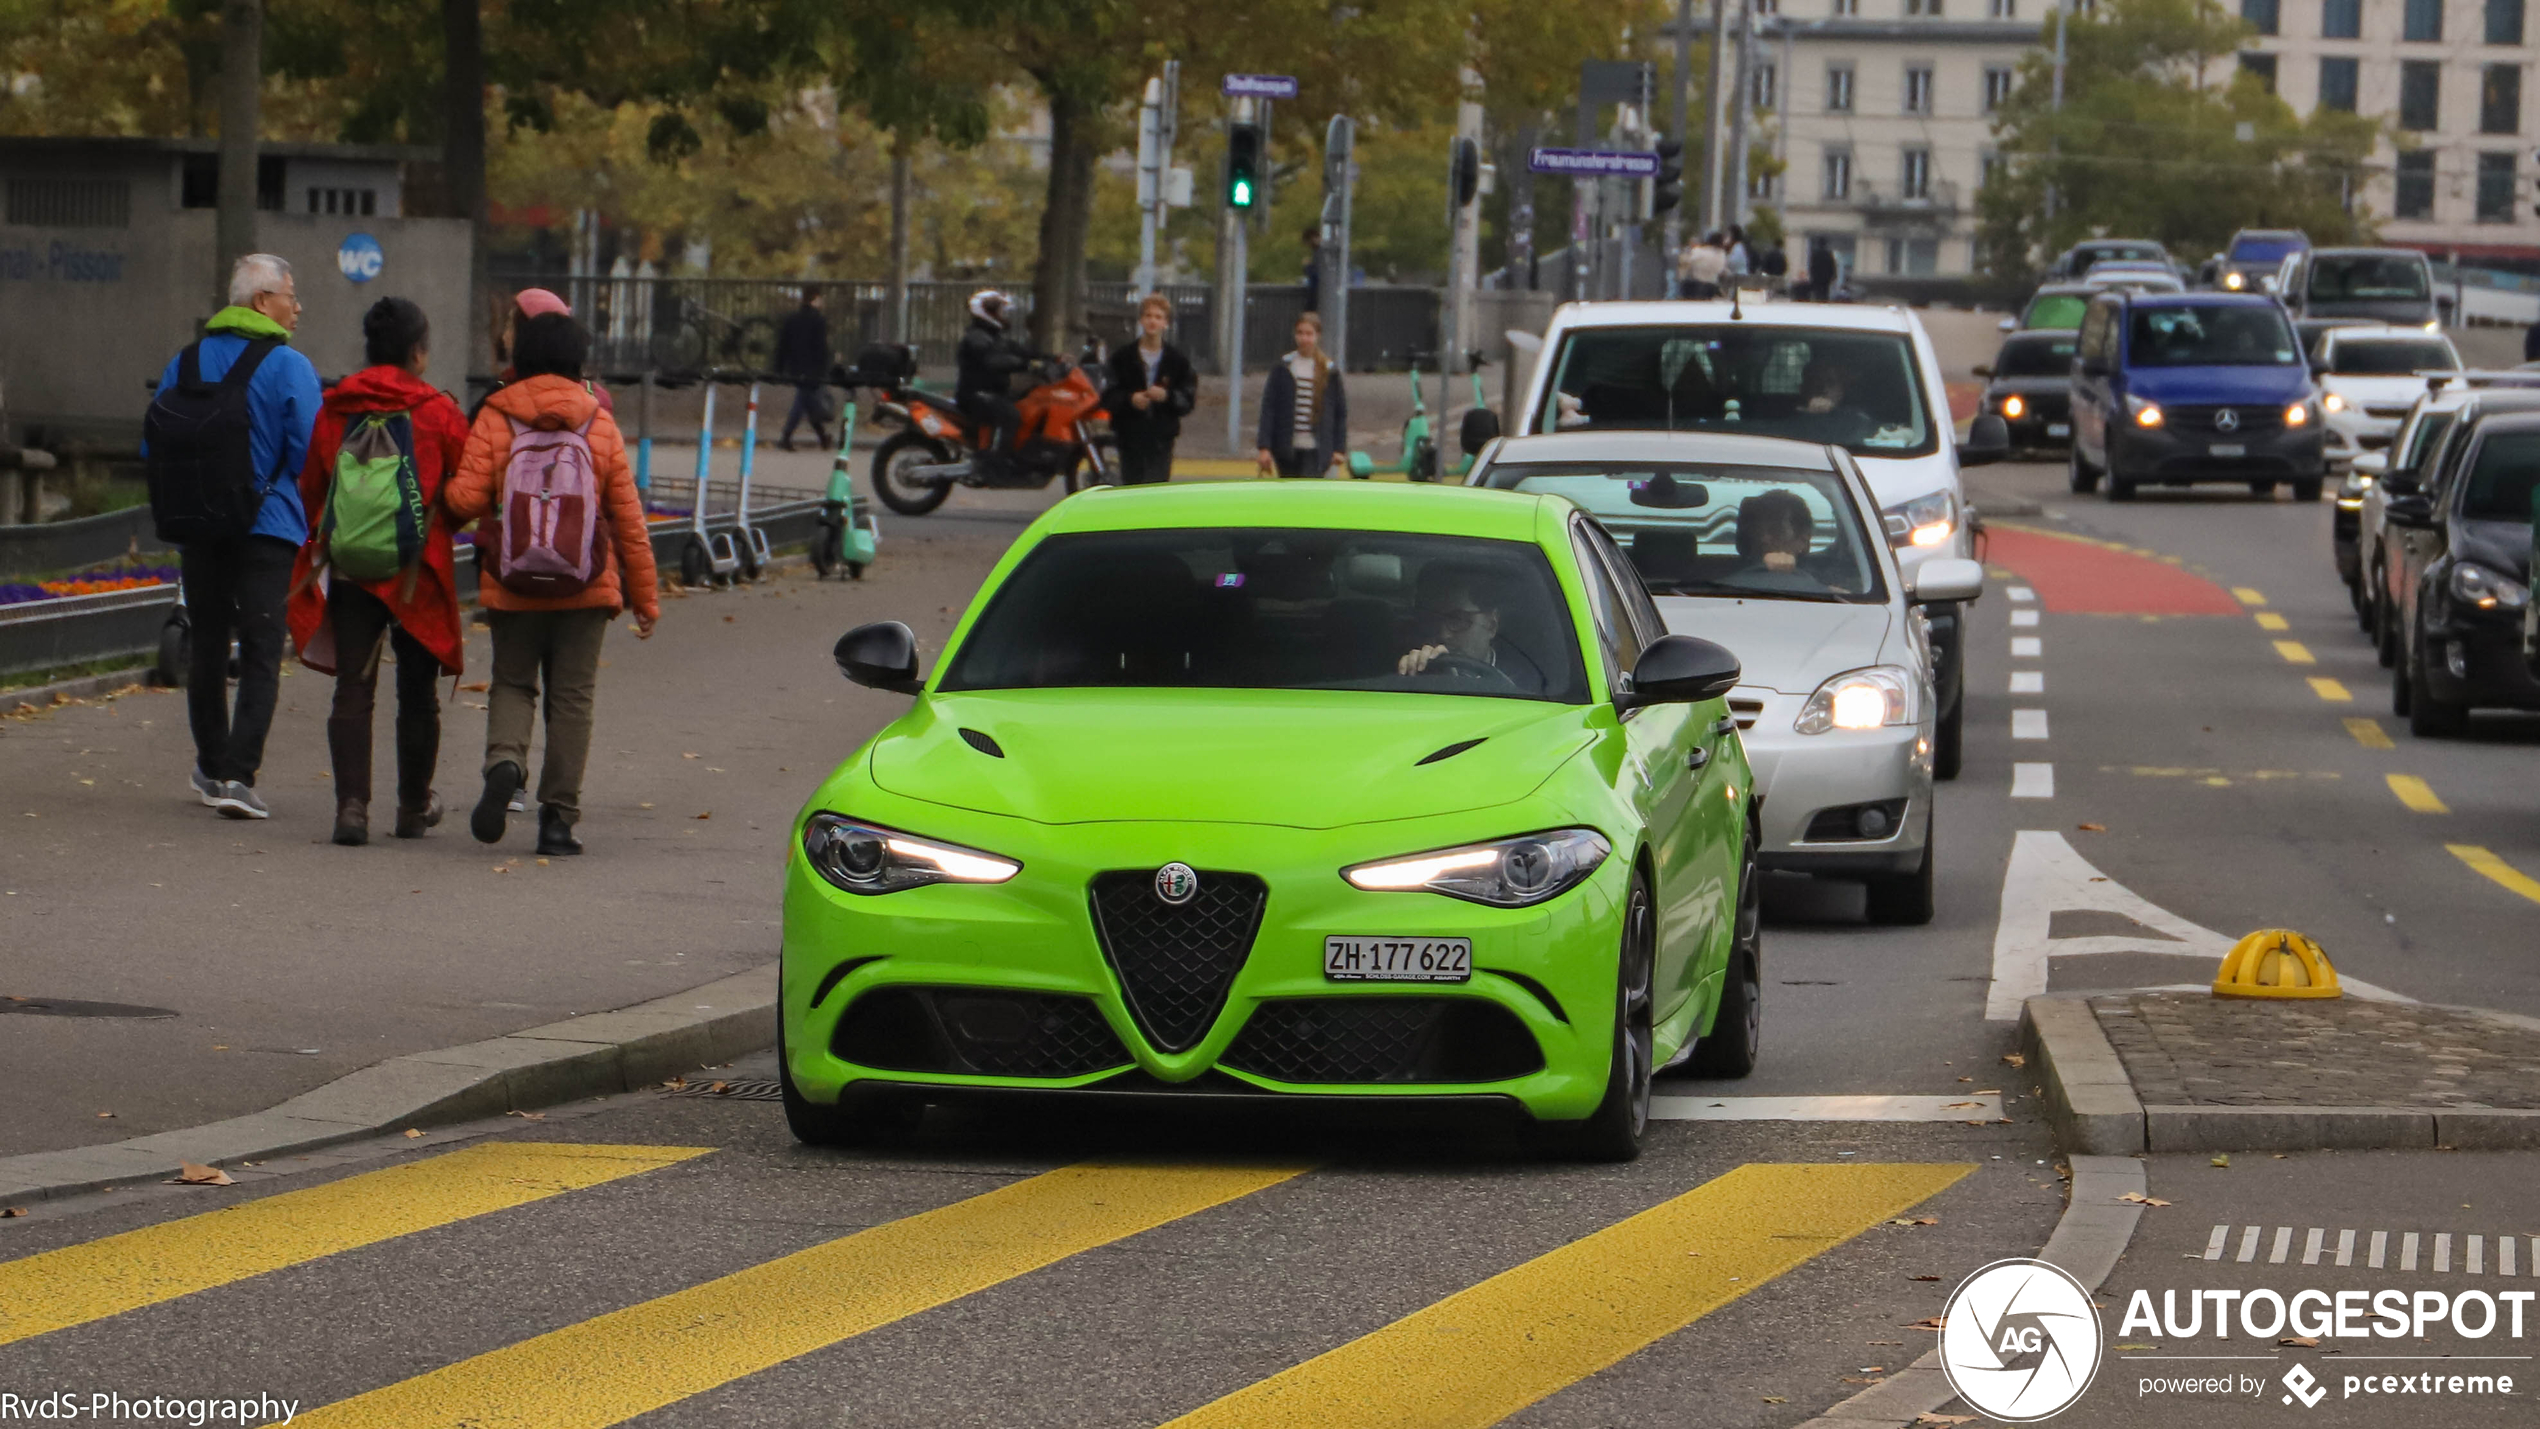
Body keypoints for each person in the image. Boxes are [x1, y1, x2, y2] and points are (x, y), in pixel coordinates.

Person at [442, 312, 660, 856]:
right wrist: (646, 598)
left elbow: (465, 500)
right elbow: (629, 519)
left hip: (514, 582)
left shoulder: (496, 416)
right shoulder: (598, 421)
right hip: (585, 584)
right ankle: (558, 820)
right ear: (577, 361)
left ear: (522, 359)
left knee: (513, 682)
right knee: (572, 699)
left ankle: (505, 764)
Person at [285, 297, 470, 847]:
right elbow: (463, 490)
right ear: (418, 352)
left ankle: (351, 809)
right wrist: (438, 526)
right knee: (418, 693)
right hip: (417, 572)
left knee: (353, 687)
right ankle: (412, 807)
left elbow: (313, 485)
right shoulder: (438, 411)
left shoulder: (337, 407)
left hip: (351, 569)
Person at [151, 253, 323, 820]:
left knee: (206, 644)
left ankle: (211, 764)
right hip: (267, 526)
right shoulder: (288, 365)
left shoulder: (187, 360)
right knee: (261, 649)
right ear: (260, 302)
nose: (298, 307)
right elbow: (311, 454)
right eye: (290, 295)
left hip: (199, 526)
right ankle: (238, 776)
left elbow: (158, 442)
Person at [1393, 564, 1545, 691]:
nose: (1442, 634)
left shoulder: (1530, 687)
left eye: (1457, 619)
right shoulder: (1402, 666)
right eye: (1431, 619)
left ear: (1491, 625)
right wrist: (1412, 679)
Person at [1104, 294, 1197, 485]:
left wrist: (1167, 396)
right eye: (1148, 316)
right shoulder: (1122, 357)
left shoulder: (1177, 360)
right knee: (1132, 488)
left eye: (1158, 317)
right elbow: (1107, 394)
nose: (1152, 321)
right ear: (1141, 320)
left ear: (1166, 323)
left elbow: (1188, 399)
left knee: (1156, 489)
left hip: (1161, 438)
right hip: (1129, 435)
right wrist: (1130, 399)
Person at [1256, 313, 1348, 477]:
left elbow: (1340, 412)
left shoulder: (1329, 370)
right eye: (1300, 333)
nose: (1304, 338)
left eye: (1309, 334)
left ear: (1317, 336)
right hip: (1286, 449)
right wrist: (1264, 447)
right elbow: (1269, 408)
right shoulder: (1284, 367)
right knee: (1288, 495)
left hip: (1316, 450)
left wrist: (1339, 448)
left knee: (1308, 494)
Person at [956, 289, 1032, 465]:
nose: (1002, 314)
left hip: (991, 392)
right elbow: (993, 361)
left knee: (1026, 404)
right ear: (986, 311)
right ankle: (997, 461)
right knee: (1011, 415)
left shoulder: (993, 336)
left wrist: (1052, 359)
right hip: (976, 394)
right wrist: (1025, 365)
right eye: (998, 310)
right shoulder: (977, 337)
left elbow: (1020, 350)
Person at [775, 287, 833, 452]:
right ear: (815, 299)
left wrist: (778, 368)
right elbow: (822, 347)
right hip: (813, 368)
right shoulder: (819, 320)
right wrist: (824, 369)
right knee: (802, 402)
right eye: (820, 299)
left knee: (807, 402)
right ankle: (786, 436)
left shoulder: (792, 319)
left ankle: (823, 437)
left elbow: (782, 345)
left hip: (795, 366)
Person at [1680, 233, 1728, 299]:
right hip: (1712, 285)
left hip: (1697, 285)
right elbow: (1721, 270)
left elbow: (1686, 261)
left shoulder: (1699, 251)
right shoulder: (1722, 254)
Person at [1301, 226, 1324, 315]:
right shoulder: (1318, 251)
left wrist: (1307, 266)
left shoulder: (1320, 251)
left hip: (1318, 293)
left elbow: (1317, 273)